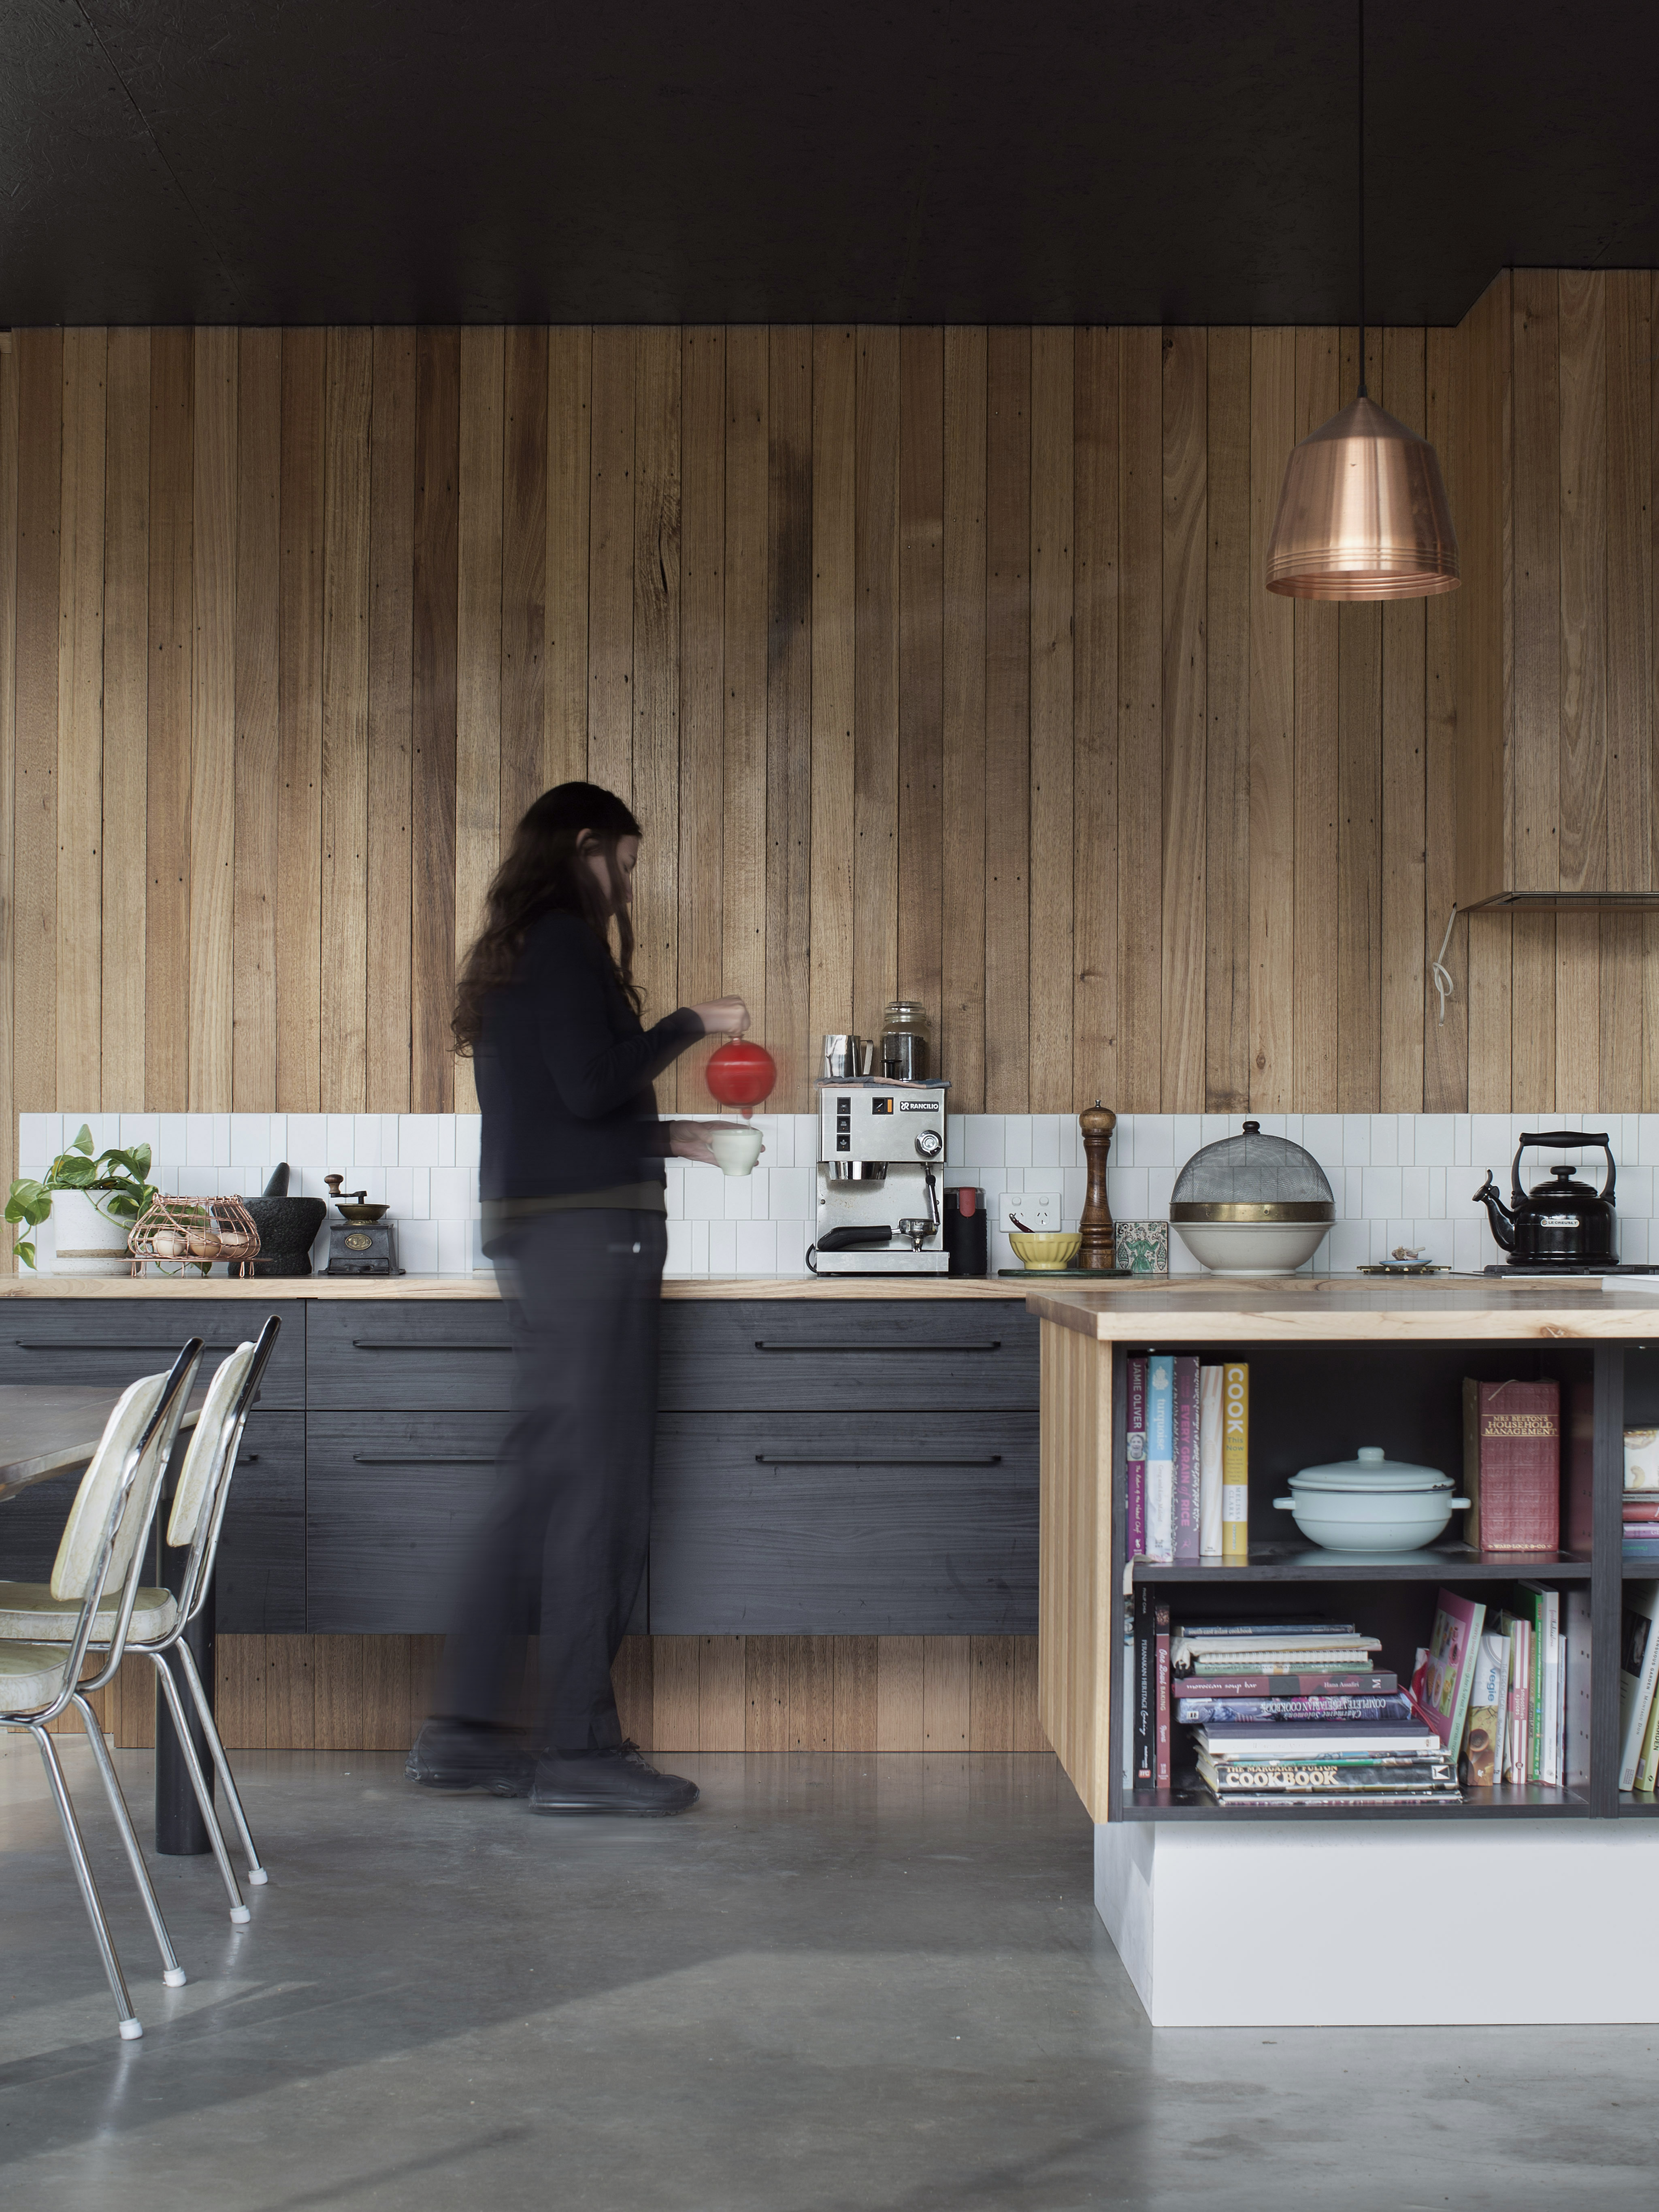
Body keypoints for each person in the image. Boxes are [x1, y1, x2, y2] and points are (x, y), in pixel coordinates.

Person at [407, 782, 753, 1815]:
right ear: (590, 844)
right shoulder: (564, 941)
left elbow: (566, 1102)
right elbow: (597, 1082)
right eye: (626, 864)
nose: (626, 887)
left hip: (543, 1230)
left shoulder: (521, 947)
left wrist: (673, 1139)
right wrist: (695, 1021)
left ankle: (465, 1734)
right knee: (598, 1493)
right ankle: (577, 1751)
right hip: (591, 1241)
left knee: (540, 1487)